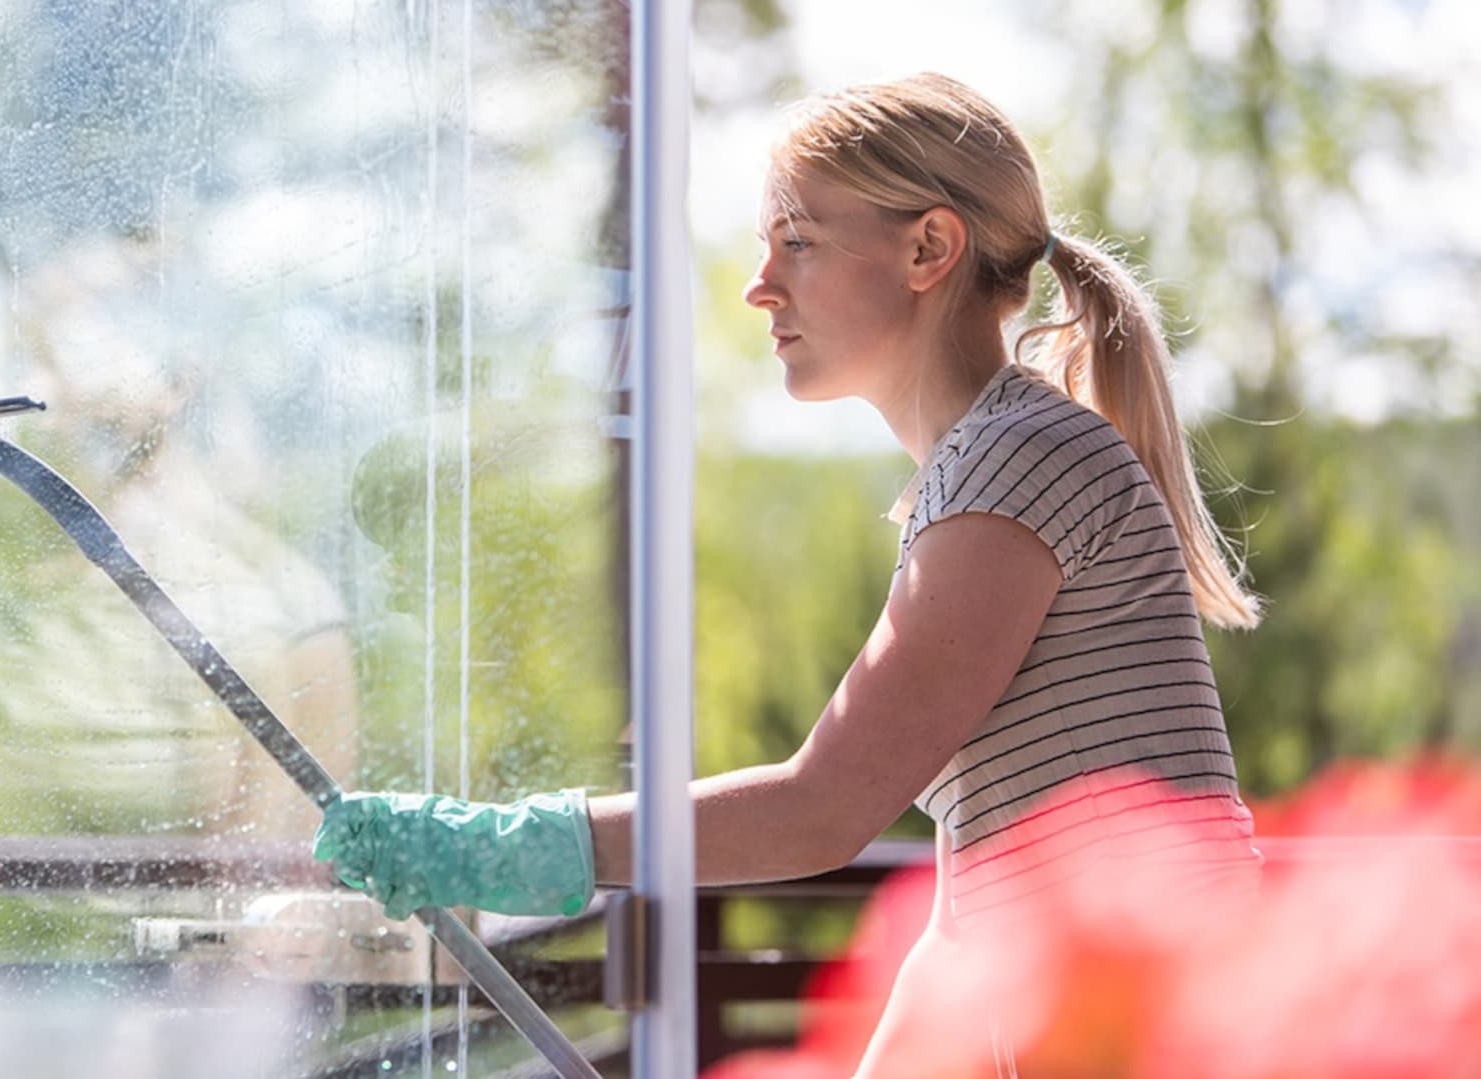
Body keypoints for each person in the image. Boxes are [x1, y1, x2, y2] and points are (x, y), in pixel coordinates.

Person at [313, 72, 1265, 1072]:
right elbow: (967, 909)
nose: (759, 283)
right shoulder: (988, 461)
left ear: (929, 249)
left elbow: (824, 806)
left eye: (797, 241)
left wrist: (518, 846)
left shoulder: (1016, 462)